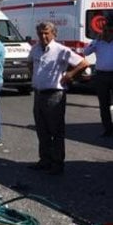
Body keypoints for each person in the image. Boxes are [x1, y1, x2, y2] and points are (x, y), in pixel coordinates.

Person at [27, 22, 88, 175]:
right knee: (42, 130)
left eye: (46, 33)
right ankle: (45, 160)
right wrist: (36, 77)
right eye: (40, 33)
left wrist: (70, 75)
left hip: (54, 95)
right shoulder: (35, 49)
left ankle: (57, 163)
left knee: (56, 131)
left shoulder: (61, 50)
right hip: (39, 94)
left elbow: (83, 63)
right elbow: (29, 63)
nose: (43, 36)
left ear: (54, 34)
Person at [83, 22, 113, 137]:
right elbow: (85, 52)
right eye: (105, 31)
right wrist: (95, 41)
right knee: (103, 104)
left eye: (110, 31)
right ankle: (107, 129)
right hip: (101, 76)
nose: (107, 34)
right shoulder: (98, 43)